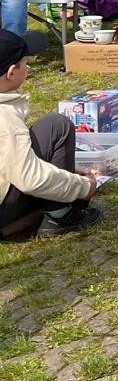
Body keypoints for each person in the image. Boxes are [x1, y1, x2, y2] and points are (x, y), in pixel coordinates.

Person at [0, 29, 101, 239]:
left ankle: (21, 222)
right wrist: (84, 187)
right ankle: (60, 215)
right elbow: (30, 178)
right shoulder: (5, 117)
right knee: (56, 125)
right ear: (11, 73)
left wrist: (64, 167)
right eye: (25, 63)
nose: (28, 68)